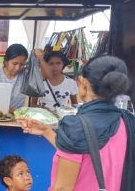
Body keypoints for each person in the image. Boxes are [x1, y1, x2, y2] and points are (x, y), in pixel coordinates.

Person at [18, 55, 135, 191]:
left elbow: (62, 188)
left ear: (83, 83)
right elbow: (83, 152)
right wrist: (47, 132)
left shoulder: (76, 127)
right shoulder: (128, 121)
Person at [0, 43, 51, 113]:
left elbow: (47, 76)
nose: (18, 68)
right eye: (14, 64)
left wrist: (41, 59)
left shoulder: (25, 74)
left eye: (22, 64)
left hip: (17, 118)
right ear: (6, 61)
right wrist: (18, 113)